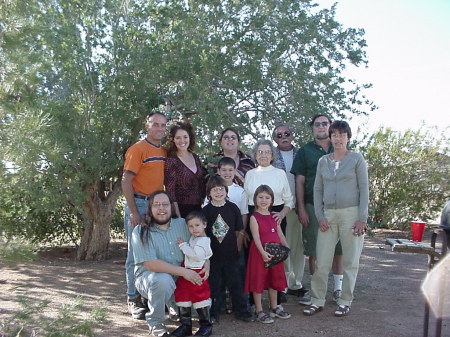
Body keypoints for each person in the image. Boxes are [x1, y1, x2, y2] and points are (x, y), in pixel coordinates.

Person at [303, 120, 369, 317]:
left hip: (352, 213)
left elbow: (364, 189)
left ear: (348, 137)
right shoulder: (324, 162)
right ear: (330, 138)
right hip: (328, 216)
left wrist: (362, 218)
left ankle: (345, 301)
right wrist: (320, 216)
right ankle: (317, 300)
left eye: (342, 135)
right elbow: (317, 189)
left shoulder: (357, 159)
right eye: (334, 135)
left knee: (350, 261)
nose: (338, 138)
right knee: (322, 260)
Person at [131, 190, 208, 337]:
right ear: (150, 208)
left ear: (171, 207)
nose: (161, 208)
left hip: (181, 279)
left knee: (203, 308)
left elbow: (201, 243)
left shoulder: (183, 224)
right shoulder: (141, 231)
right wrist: (185, 272)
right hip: (152, 278)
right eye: (157, 205)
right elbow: (151, 264)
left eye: (165, 204)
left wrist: (207, 264)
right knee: (163, 281)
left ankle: (174, 306)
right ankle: (156, 323)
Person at [291, 114, 343, 305]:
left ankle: (338, 289)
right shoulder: (305, 151)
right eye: (317, 124)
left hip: (339, 207)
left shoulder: (341, 148)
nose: (321, 127)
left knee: (339, 249)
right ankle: (315, 291)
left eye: (324, 123)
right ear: (312, 128)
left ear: (330, 127)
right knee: (314, 250)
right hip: (313, 205)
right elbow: (300, 180)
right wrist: (301, 208)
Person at [122, 112, 167, 320]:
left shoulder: (164, 151)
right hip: (139, 204)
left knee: (155, 253)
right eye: (155, 124)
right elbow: (126, 180)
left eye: (162, 125)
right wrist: (133, 211)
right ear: (147, 126)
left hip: (156, 205)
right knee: (135, 254)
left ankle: (151, 297)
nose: (159, 128)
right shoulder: (137, 149)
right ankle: (133, 299)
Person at [244, 138, 294, 306]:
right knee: (256, 260)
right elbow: (245, 200)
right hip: (254, 218)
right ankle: (254, 301)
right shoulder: (250, 174)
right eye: (260, 152)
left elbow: (289, 200)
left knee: (275, 260)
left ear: (272, 155)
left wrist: (282, 215)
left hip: (275, 218)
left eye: (267, 152)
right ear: (255, 155)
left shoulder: (280, 173)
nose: (263, 155)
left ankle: (276, 301)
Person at [202, 175, 254, 324]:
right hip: (213, 256)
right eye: (214, 190)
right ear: (209, 193)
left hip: (232, 255)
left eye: (221, 189)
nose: (218, 193)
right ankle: (214, 312)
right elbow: (204, 234)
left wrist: (236, 248)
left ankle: (242, 311)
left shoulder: (233, 208)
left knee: (236, 284)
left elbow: (238, 231)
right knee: (215, 286)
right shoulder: (206, 211)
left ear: (226, 191)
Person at [245, 185, 291, 324]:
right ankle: (259, 310)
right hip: (260, 253)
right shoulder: (254, 217)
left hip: (276, 253)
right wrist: (263, 252)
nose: (263, 200)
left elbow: (280, 233)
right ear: (255, 199)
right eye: (260, 197)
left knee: (274, 279)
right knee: (258, 279)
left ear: (272, 200)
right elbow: (256, 237)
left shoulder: (274, 216)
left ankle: (274, 307)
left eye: (267, 198)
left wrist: (286, 247)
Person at [272, 123, 308, 301]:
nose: (283, 137)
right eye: (278, 135)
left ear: (292, 135)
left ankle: (296, 283)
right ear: (274, 139)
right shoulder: (270, 155)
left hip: (298, 206)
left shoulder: (301, 154)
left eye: (286, 133)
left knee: (298, 246)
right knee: (283, 246)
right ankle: (283, 284)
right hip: (279, 208)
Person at [172, 211, 213, 337]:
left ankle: (206, 325)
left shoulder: (204, 241)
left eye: (197, 225)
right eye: (191, 226)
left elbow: (196, 256)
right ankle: (185, 325)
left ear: (204, 224)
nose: (194, 229)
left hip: (197, 270)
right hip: (187, 269)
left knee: (199, 295)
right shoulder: (196, 238)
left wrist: (183, 245)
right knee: (183, 294)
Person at [165, 121, 206, 218]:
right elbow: (170, 192)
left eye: (185, 137)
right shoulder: (171, 161)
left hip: (198, 210)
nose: (182, 141)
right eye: (178, 138)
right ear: (173, 140)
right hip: (181, 210)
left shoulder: (195, 157)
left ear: (190, 138)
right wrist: (178, 217)